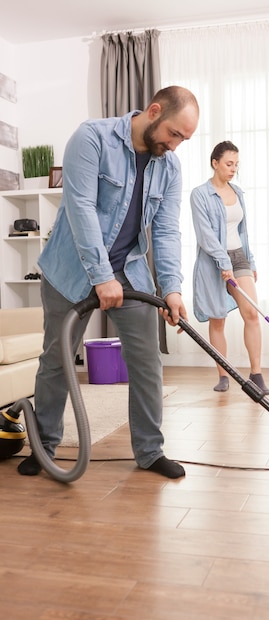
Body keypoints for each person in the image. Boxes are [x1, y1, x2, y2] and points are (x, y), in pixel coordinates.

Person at [18, 85, 200, 479]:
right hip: (71, 270)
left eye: (184, 139)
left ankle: (150, 452)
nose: (176, 145)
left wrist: (171, 288)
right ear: (154, 112)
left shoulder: (168, 166)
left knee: (147, 361)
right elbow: (80, 209)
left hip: (129, 273)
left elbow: (167, 231)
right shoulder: (92, 138)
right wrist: (101, 277)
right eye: (174, 134)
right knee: (56, 360)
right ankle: (45, 446)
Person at [190, 140, 269, 394]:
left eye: (236, 164)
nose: (233, 168)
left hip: (239, 257)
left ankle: (256, 375)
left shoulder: (238, 192)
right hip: (213, 260)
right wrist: (223, 262)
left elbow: (243, 231)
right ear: (215, 163)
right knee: (218, 319)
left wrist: (251, 260)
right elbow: (205, 236)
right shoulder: (200, 194)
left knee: (252, 314)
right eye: (228, 163)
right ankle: (223, 375)